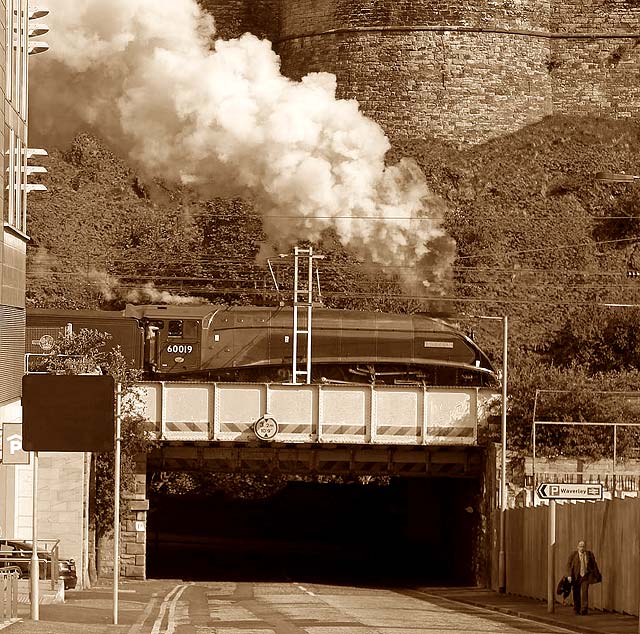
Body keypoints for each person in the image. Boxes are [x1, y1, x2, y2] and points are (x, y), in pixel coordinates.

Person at [566, 540, 601, 615]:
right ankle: (576, 608)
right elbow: (568, 565)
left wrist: (597, 575)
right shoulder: (573, 555)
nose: (582, 548)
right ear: (577, 547)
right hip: (576, 577)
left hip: (585, 576)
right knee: (576, 592)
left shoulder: (589, 554)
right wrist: (569, 575)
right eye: (580, 546)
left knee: (585, 592)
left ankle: (584, 609)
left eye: (583, 546)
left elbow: (594, 565)